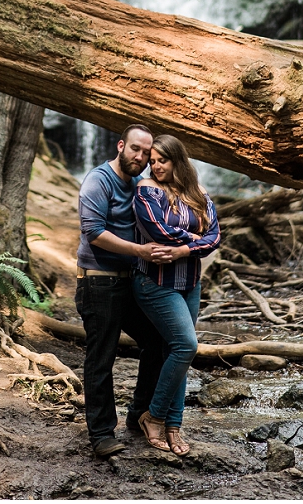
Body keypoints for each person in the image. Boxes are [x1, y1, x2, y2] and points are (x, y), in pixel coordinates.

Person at [75, 124, 179, 458]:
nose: (141, 156)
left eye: (147, 152)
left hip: (130, 281)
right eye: (135, 148)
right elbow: (93, 232)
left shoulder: (140, 183)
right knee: (101, 357)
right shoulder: (98, 180)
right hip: (98, 281)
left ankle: (139, 415)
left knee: (158, 341)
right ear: (121, 146)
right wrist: (140, 251)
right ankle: (102, 434)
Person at [131, 133, 221, 457]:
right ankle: (152, 417)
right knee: (186, 345)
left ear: (177, 160)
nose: (154, 166)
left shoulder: (199, 194)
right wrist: (195, 239)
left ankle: (173, 425)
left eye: (161, 160)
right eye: (152, 161)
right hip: (155, 284)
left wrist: (184, 247)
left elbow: (215, 237)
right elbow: (157, 230)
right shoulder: (146, 191)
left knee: (178, 352)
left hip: (190, 285)